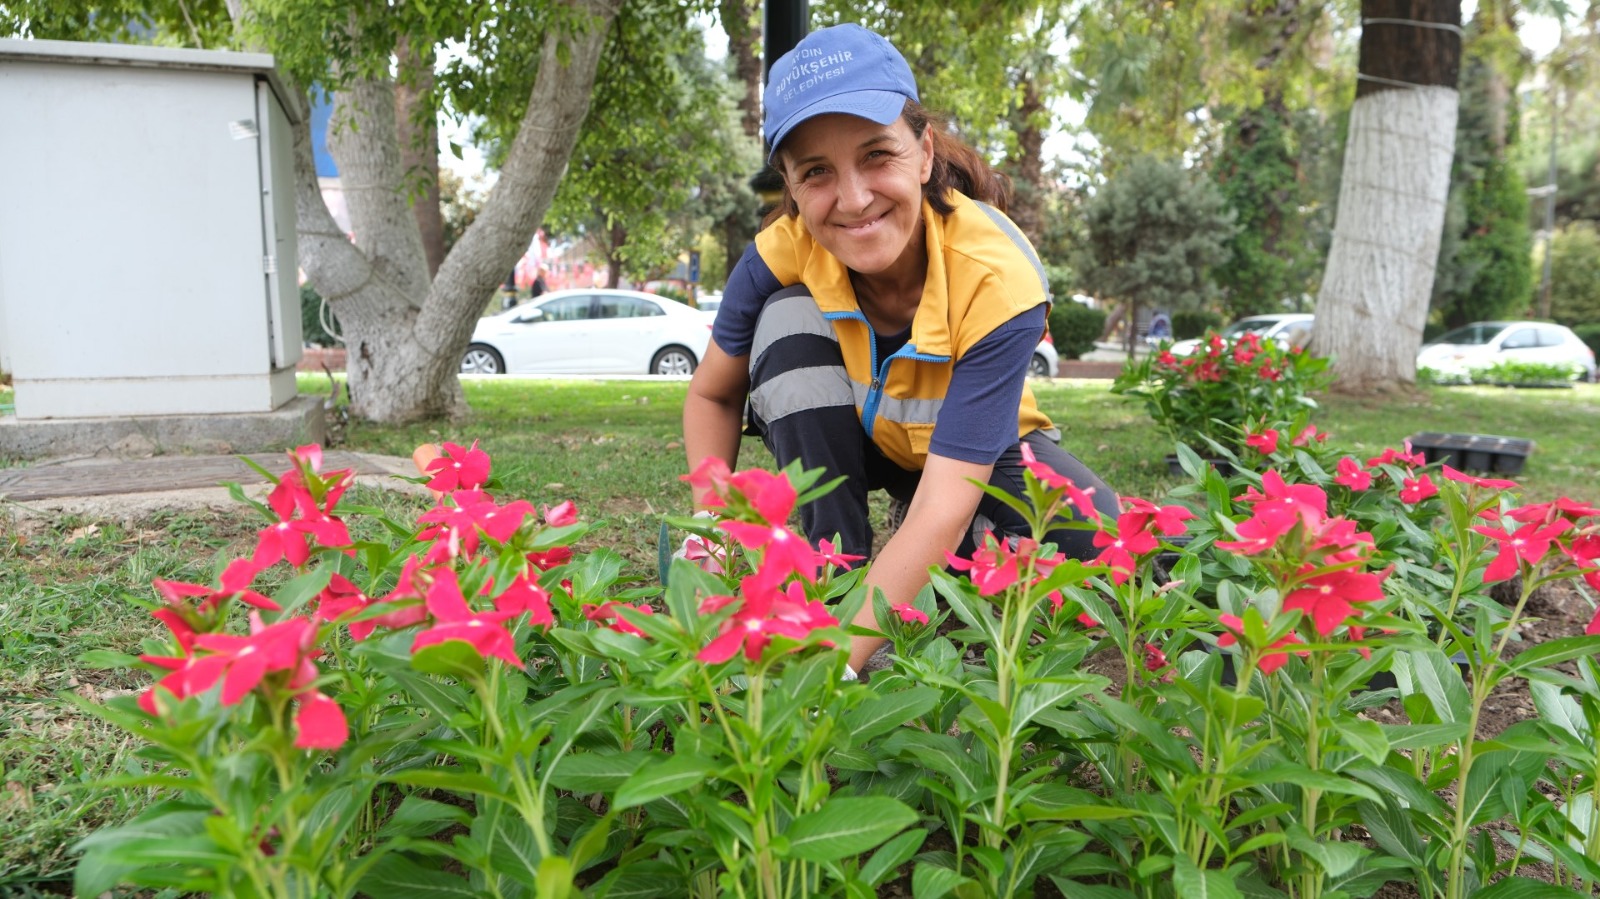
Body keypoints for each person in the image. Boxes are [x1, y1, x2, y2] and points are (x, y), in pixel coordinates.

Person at [682, 23, 1121, 676]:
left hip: (975, 452)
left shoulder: (998, 273)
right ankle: (836, 570)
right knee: (786, 321)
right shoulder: (780, 249)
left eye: (877, 156)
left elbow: (946, 500)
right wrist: (710, 530)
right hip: (854, 435)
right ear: (790, 187)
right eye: (816, 172)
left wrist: (830, 668)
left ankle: (923, 587)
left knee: (1102, 540)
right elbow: (711, 391)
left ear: (923, 152)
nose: (854, 198)